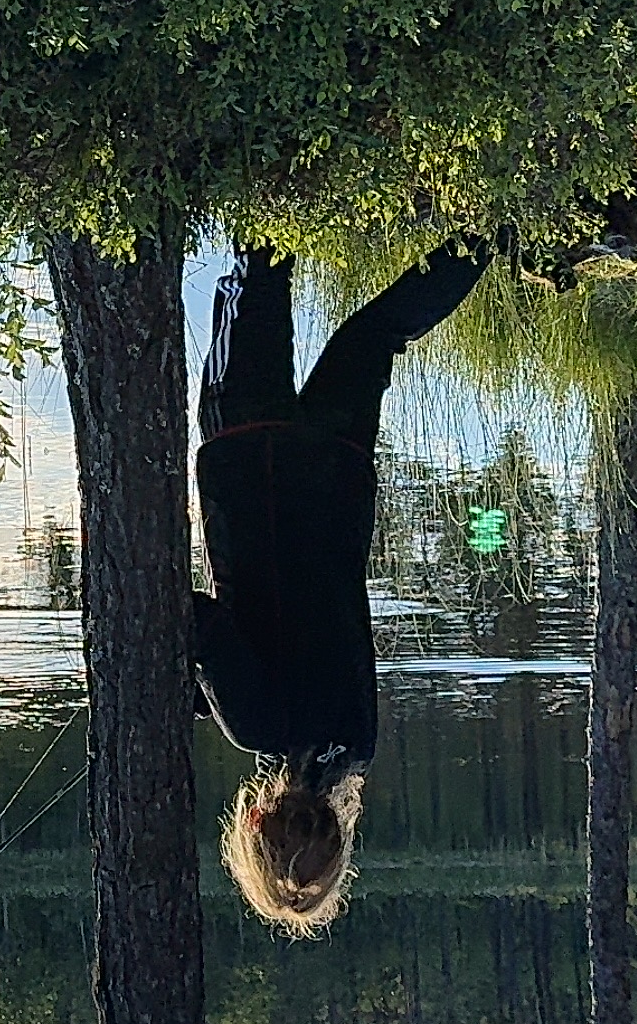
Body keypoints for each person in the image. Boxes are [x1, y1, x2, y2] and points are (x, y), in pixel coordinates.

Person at [195, 237, 488, 934]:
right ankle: (264, 167)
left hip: (338, 477)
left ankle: (495, 229)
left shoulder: (358, 742)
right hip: (251, 458)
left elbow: (304, 645)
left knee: (376, 336)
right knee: (256, 280)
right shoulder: (258, 726)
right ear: (254, 823)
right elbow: (199, 620)